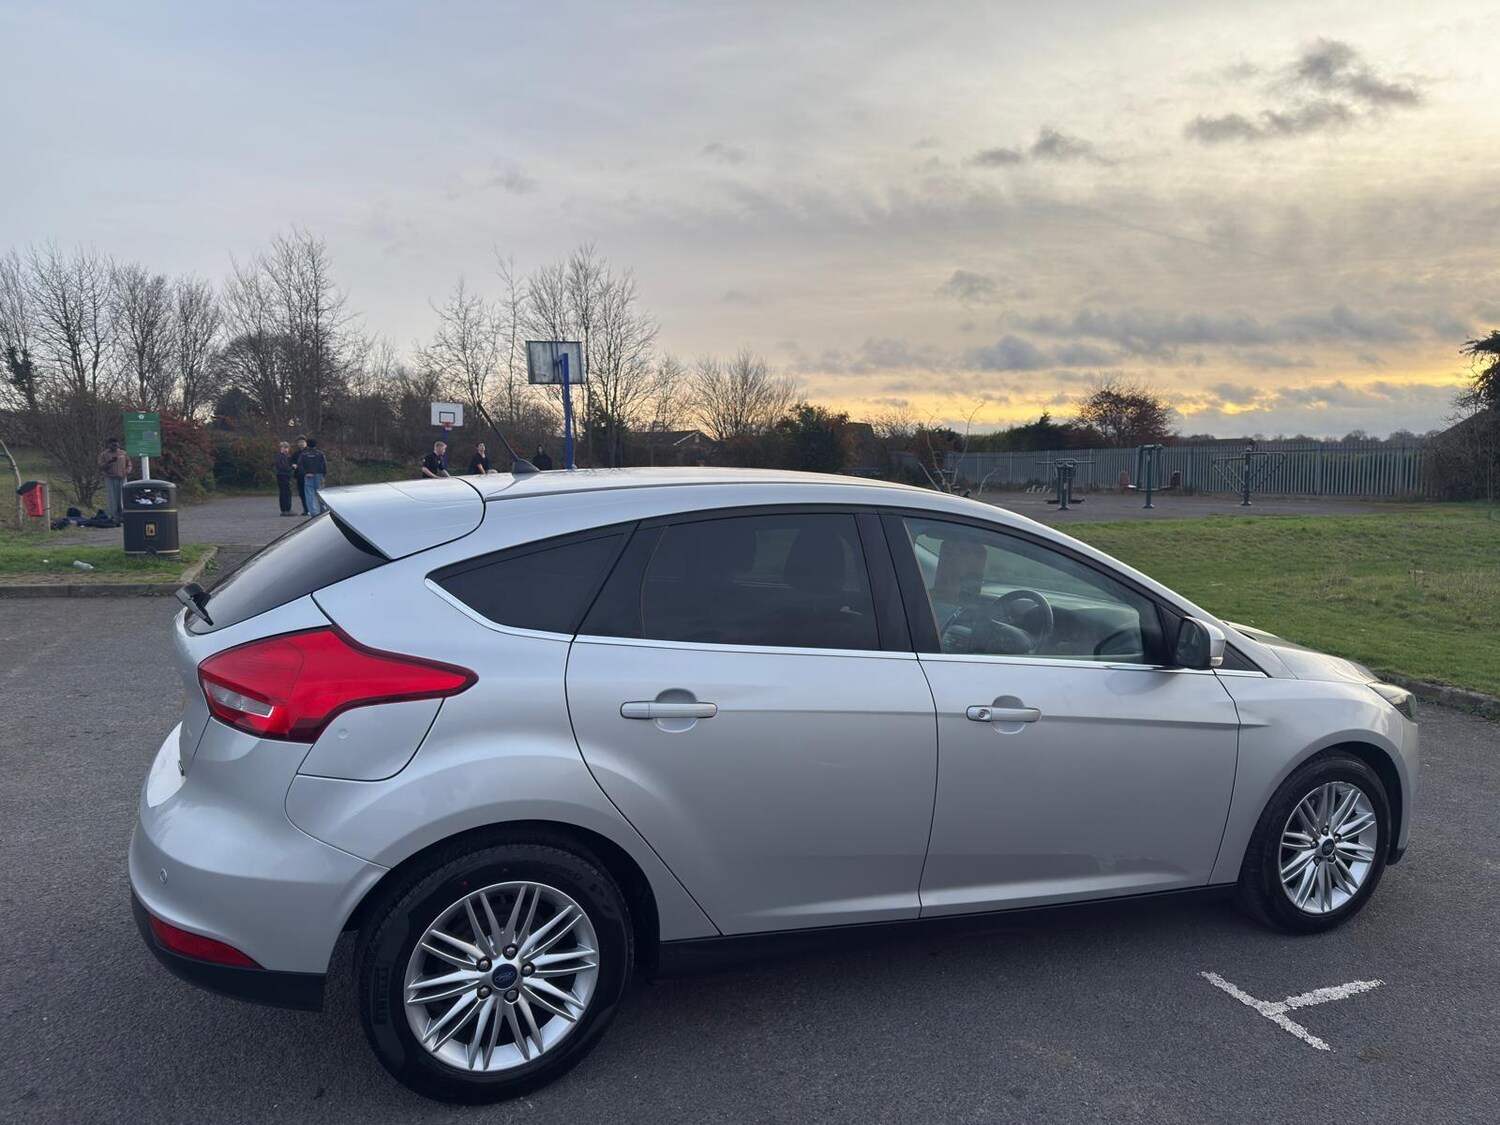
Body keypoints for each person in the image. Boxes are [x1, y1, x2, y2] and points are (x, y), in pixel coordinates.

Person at [97, 437, 133, 522]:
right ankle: (113, 516)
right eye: (112, 445)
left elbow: (129, 464)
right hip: (110, 479)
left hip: (122, 478)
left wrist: (126, 472)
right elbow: (100, 467)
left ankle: (122, 515)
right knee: (113, 498)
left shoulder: (123, 453)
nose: (114, 446)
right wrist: (109, 462)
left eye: (116, 444)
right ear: (109, 445)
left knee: (122, 498)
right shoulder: (104, 455)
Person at [299, 438, 328, 515]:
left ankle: (313, 512)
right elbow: (324, 465)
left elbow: (300, 465)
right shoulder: (320, 454)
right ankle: (323, 510)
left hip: (308, 476)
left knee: (309, 495)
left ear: (307, 444)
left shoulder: (303, 454)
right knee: (321, 493)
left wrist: (304, 473)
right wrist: (323, 474)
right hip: (319, 475)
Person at [274, 441, 295, 516]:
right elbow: (283, 467)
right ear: (281, 448)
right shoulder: (280, 456)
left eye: (287, 448)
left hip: (285, 476)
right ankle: (285, 509)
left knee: (286, 492)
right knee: (285, 493)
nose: (286, 449)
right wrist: (292, 467)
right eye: (284, 447)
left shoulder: (285, 457)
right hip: (282, 476)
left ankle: (287, 509)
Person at [292, 435, 310, 515]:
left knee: (309, 493)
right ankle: (305, 509)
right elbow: (292, 461)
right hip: (299, 476)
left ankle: (311, 509)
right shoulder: (296, 453)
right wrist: (293, 465)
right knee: (302, 493)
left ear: (306, 443)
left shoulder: (309, 452)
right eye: (299, 442)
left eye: (302, 442)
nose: (300, 444)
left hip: (308, 475)